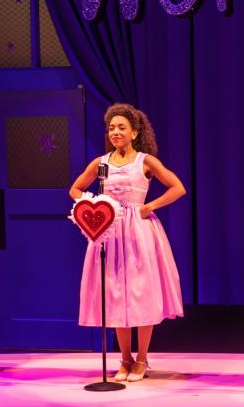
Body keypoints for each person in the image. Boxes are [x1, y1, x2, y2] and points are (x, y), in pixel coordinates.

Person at [69, 103, 185, 382]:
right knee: (115, 295)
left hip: (138, 232)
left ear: (134, 132)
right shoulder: (101, 163)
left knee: (139, 294)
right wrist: (92, 207)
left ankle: (142, 359)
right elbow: (75, 189)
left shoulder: (145, 161)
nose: (115, 132)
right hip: (109, 231)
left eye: (121, 127)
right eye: (111, 128)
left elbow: (178, 187)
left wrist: (148, 207)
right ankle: (124, 359)